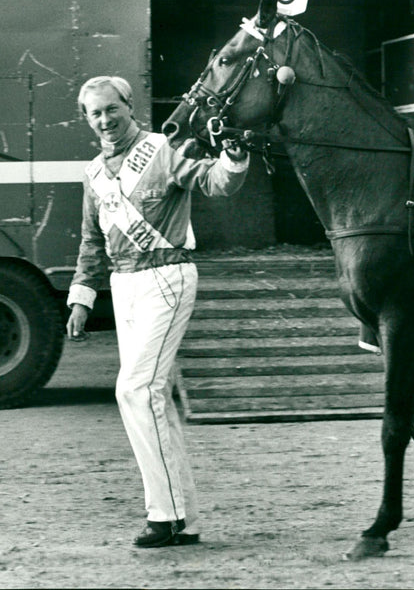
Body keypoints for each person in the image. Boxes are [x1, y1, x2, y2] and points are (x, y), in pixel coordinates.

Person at [66, 76, 250, 548]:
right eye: (95, 114)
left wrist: (233, 155)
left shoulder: (162, 150)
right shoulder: (93, 174)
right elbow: (91, 241)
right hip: (121, 283)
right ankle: (182, 520)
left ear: (130, 106)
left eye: (112, 109)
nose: (105, 120)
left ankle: (163, 515)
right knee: (153, 399)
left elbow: (215, 182)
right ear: (87, 120)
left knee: (135, 389)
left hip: (167, 277)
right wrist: (81, 299)